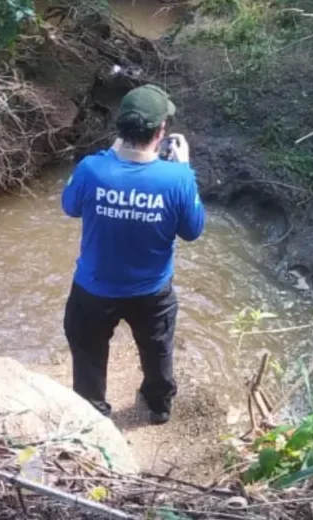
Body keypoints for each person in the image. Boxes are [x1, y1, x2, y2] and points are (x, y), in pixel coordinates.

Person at [60, 84, 205, 425]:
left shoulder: (91, 168)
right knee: (157, 351)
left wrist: (111, 156)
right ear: (161, 132)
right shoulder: (177, 178)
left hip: (93, 289)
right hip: (151, 293)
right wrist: (186, 168)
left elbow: (70, 207)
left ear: (120, 128)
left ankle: (93, 414)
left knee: (88, 354)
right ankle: (158, 406)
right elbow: (192, 231)